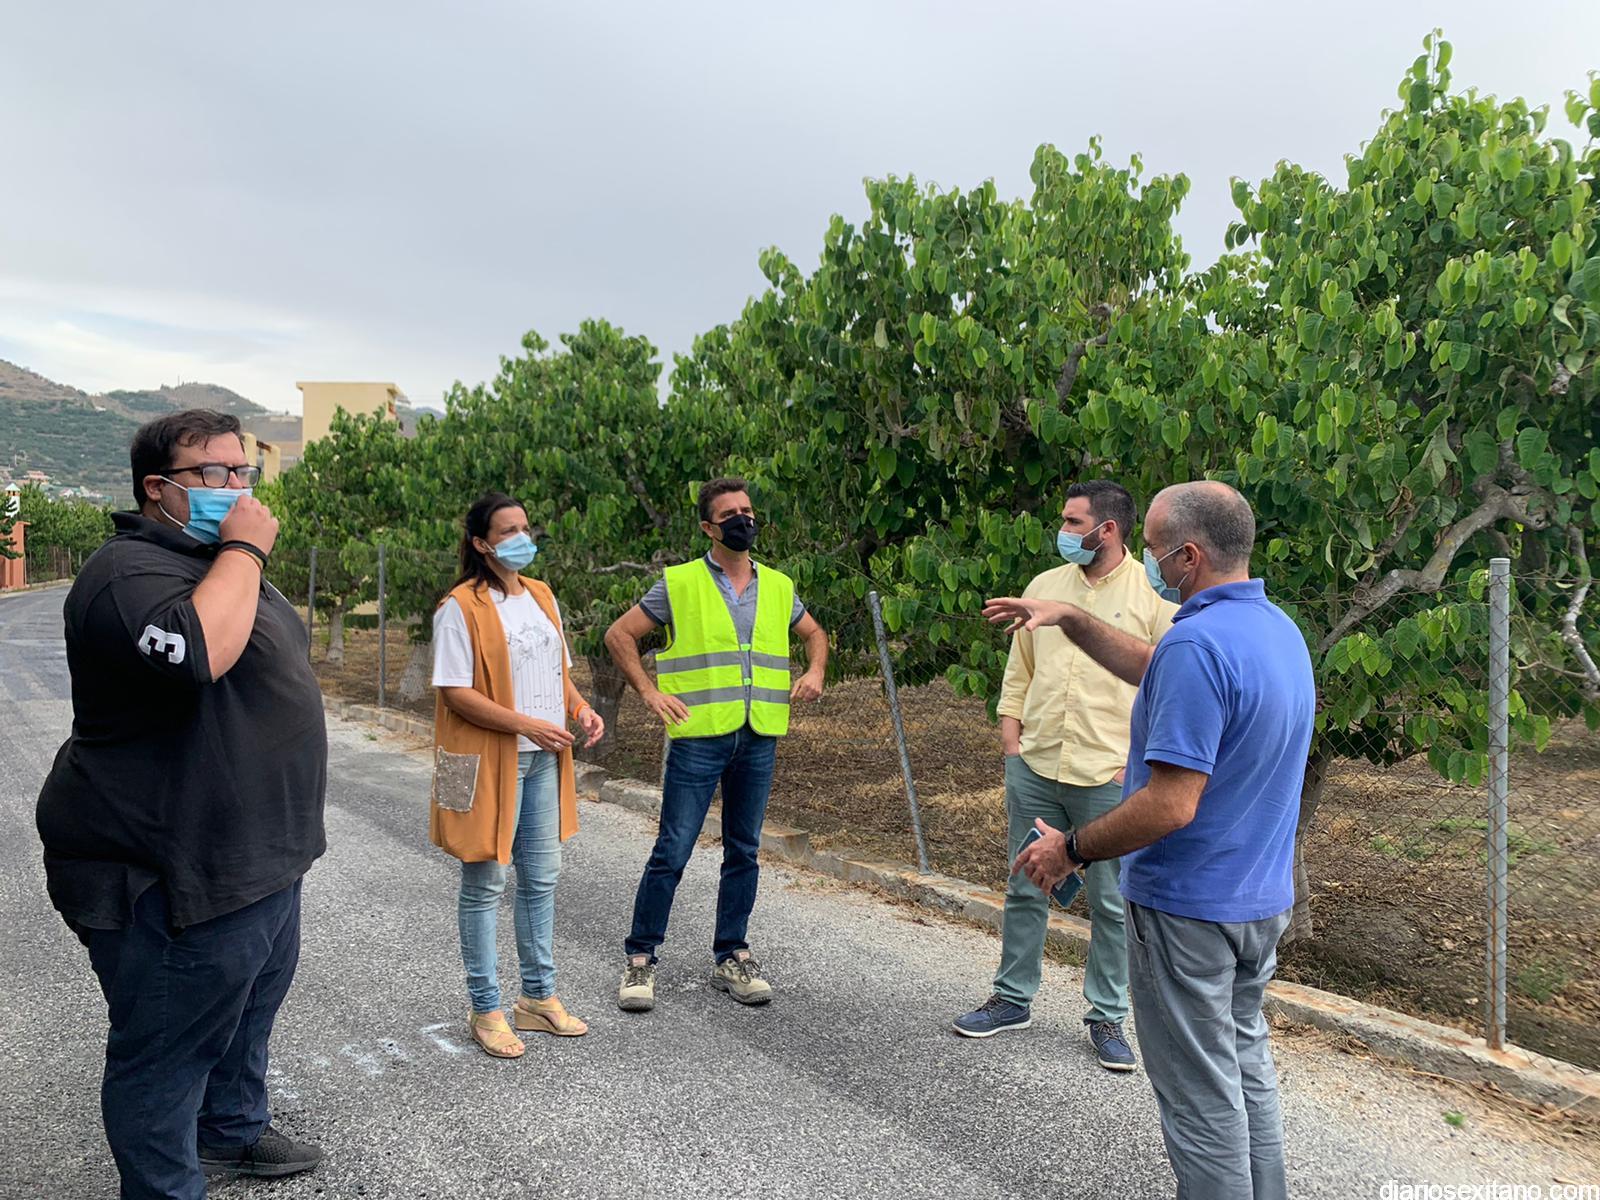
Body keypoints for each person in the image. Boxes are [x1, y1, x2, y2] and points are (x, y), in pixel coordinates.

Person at [985, 481, 1315, 1200]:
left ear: (1189, 556)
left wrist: (1071, 849)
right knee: (1244, 1068)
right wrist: (1073, 619)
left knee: (1199, 1100)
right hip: (1259, 902)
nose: (1151, 562)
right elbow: (1158, 666)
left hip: (1188, 909)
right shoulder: (1274, 630)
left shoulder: (1196, 643)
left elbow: (1170, 804)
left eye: (1158, 550)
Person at [36, 409, 326, 1198]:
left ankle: (229, 1131)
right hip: (168, 873)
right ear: (157, 488)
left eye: (243, 471)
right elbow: (197, 653)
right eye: (213, 473)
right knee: (164, 1056)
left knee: (246, 1015)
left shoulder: (220, 564)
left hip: (261, 860)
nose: (236, 487)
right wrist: (244, 548)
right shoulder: (125, 572)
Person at [953, 481, 1175, 1072]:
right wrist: (1011, 741)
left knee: (1111, 902)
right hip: (1037, 764)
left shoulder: (1154, 598)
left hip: (1108, 773)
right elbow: (1020, 669)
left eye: (1073, 522)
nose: (1063, 531)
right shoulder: (1044, 588)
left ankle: (1106, 1016)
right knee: (1025, 883)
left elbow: (1166, 686)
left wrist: (1138, 763)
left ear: (1108, 530)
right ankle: (1011, 998)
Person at [603, 477, 828, 1011]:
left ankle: (732, 954)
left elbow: (815, 634)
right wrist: (649, 692)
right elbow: (618, 634)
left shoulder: (779, 585)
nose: (743, 520)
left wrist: (816, 669)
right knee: (673, 850)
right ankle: (640, 959)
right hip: (699, 738)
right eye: (729, 515)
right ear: (708, 527)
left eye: (747, 511)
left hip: (758, 735)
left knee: (744, 850)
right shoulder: (679, 583)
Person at [430, 492, 604, 1058]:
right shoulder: (459, 607)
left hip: (543, 758)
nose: (521, 538)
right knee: (486, 882)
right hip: (487, 760)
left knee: (542, 877)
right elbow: (455, 693)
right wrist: (528, 724)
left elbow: (558, 672)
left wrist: (579, 707)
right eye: (508, 531)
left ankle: (537, 997)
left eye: (525, 527)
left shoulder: (541, 595)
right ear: (481, 544)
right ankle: (485, 1009)